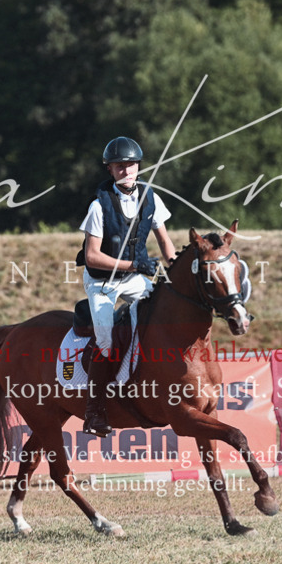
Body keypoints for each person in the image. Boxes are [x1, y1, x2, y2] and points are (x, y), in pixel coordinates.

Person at [78, 136, 176, 437]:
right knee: (106, 342)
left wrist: (175, 268)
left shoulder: (151, 198)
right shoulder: (98, 206)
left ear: (138, 166)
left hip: (136, 278)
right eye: (120, 166)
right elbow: (92, 255)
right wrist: (134, 266)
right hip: (102, 283)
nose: (126, 171)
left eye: (131, 165)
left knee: (160, 318)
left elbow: (164, 241)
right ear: (110, 169)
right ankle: (94, 411)